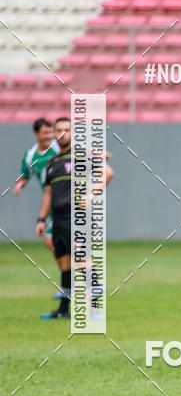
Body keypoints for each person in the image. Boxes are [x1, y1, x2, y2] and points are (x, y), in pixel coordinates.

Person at [36, 116, 114, 319]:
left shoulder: (80, 155)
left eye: (66, 130)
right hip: (58, 219)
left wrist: (90, 196)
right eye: (58, 130)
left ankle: (96, 309)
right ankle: (63, 311)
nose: (62, 133)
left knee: (82, 259)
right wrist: (42, 219)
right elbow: (47, 193)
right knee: (64, 264)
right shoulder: (52, 162)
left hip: (77, 217)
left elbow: (107, 172)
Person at [13, 117, 58, 254]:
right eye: (45, 133)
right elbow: (24, 176)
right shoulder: (31, 156)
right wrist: (19, 185)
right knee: (52, 241)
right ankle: (70, 270)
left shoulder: (59, 147)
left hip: (68, 199)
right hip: (51, 202)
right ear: (36, 134)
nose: (49, 136)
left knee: (58, 240)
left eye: (51, 132)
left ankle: (70, 270)